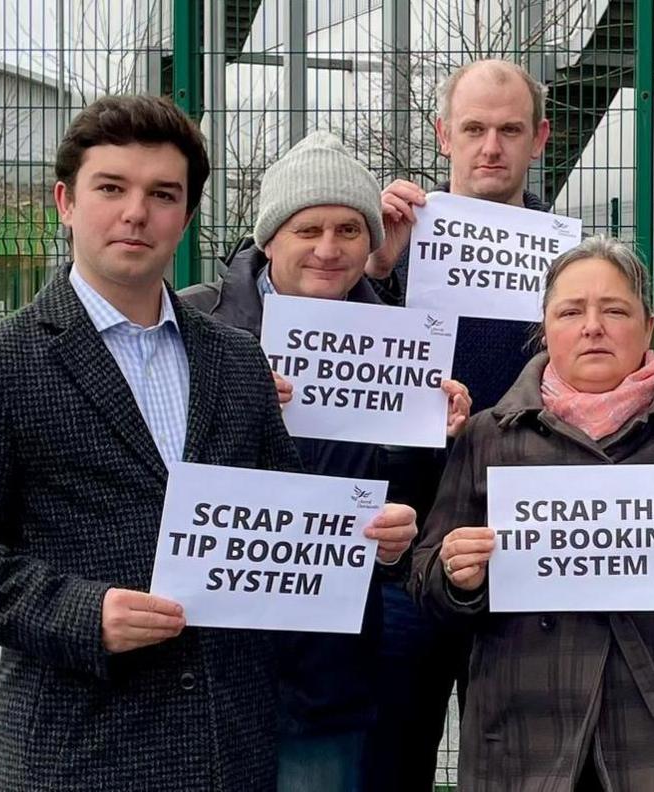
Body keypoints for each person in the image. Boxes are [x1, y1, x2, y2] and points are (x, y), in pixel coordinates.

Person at [0, 95, 413, 790]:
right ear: (66, 201)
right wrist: (82, 613)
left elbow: (287, 524)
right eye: (112, 188)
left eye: (162, 194)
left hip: (234, 749)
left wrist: (364, 538)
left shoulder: (236, 362)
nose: (136, 212)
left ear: (187, 215)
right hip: (78, 751)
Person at [411, 235, 654, 791]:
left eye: (614, 310)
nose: (593, 326)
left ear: (647, 326)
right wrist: (455, 575)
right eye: (571, 311)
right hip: (527, 738)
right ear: (544, 328)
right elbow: (426, 582)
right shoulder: (488, 437)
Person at [179, 129, 462, 791]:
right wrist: (234, 407)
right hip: (206, 663)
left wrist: (436, 445)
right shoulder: (195, 321)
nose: (330, 250)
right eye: (308, 228)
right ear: (269, 237)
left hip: (330, 663)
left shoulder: (403, 347)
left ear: (372, 243)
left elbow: (415, 506)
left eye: (348, 229)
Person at [361, 58, 553, 790]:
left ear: (539, 139)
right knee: (388, 761)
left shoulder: (569, 259)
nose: (491, 147)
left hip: (522, 553)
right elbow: (328, 356)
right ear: (443, 134)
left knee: (520, 771)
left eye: (509, 130)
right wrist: (376, 266)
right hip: (407, 553)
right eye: (473, 129)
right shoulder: (395, 242)